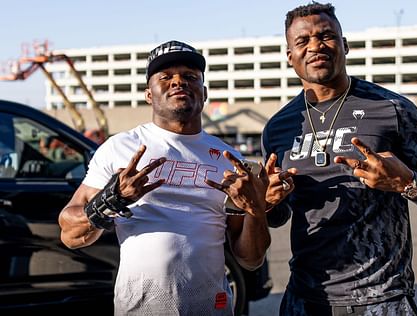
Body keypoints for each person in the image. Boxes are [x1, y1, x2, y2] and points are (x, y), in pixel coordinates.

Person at [58, 40, 291, 315]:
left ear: (203, 93)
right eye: (166, 77)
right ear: (148, 94)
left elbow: (250, 259)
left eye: (190, 77)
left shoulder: (230, 160)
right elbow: (70, 234)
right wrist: (113, 198)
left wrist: (256, 208)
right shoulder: (119, 148)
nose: (178, 82)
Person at [262, 2, 417, 315]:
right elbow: (278, 217)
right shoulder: (279, 128)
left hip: (383, 300)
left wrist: (407, 182)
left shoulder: (392, 109)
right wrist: (268, 202)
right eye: (302, 41)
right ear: (290, 56)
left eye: (326, 36)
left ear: (344, 45)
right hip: (305, 299)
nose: (316, 45)